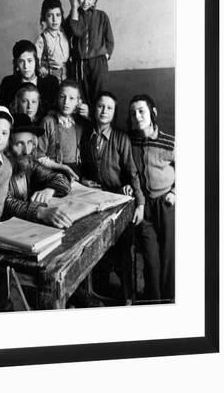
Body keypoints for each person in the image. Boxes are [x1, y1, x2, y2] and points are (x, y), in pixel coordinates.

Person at [79, 91, 145, 303]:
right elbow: (82, 168)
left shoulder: (121, 138)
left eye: (109, 108)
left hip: (119, 200)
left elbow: (132, 172)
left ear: (114, 112)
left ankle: (127, 297)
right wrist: (83, 181)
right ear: (94, 109)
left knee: (123, 249)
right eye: (100, 106)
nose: (104, 111)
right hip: (95, 201)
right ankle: (100, 294)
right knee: (96, 248)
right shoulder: (86, 136)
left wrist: (139, 202)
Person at [128, 94, 175, 301]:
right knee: (150, 257)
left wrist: (175, 193)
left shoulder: (169, 142)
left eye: (141, 111)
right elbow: (128, 170)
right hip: (144, 206)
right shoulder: (131, 140)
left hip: (166, 204)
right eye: (133, 113)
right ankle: (153, 300)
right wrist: (128, 186)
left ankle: (170, 300)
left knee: (169, 256)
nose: (137, 116)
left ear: (153, 113)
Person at [2, 113, 72, 229]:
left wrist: (51, 189)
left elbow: (61, 178)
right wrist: (41, 212)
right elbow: (7, 202)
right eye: (19, 144)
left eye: (29, 142)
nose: (26, 150)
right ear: (7, 145)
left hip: (27, 227)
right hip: (3, 230)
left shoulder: (29, 163)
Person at [66, 0, 114, 107]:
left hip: (98, 63)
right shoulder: (73, 17)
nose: (85, 1)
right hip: (79, 64)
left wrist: (106, 55)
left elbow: (110, 40)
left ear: (95, 0)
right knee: (82, 99)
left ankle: (99, 126)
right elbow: (76, 32)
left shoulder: (102, 16)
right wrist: (74, 8)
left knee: (100, 97)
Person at [37, 79, 90, 180]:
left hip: (75, 173)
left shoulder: (79, 124)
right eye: (62, 97)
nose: (66, 102)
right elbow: (39, 156)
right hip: (52, 172)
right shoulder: (48, 122)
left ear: (78, 102)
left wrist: (88, 116)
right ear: (57, 98)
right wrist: (61, 167)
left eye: (71, 98)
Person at [0, 39, 59, 114]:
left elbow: (57, 109)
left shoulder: (51, 82)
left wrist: (50, 116)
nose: (26, 66)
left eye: (29, 61)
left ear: (36, 61)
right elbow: (2, 112)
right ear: (16, 64)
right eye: (21, 61)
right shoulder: (8, 83)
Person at [35, 0, 70, 82]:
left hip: (67, 74)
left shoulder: (65, 33)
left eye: (58, 15)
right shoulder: (42, 39)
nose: (55, 20)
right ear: (44, 18)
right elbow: (35, 59)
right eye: (50, 16)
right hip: (51, 77)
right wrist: (40, 68)